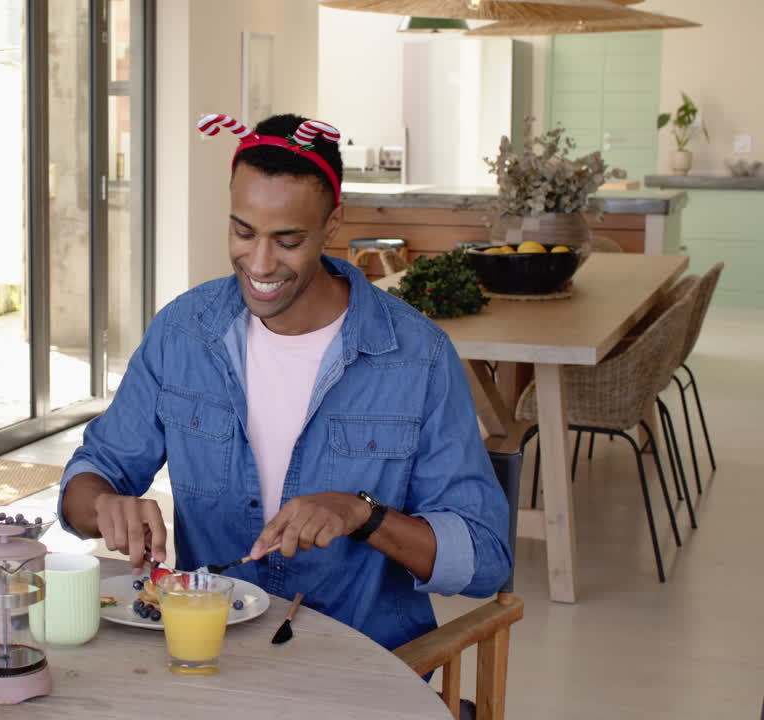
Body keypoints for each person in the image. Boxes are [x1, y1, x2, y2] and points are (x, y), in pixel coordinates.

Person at [58, 113, 511, 651]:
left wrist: (362, 514)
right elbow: (88, 478)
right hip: (210, 657)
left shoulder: (419, 358)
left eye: (288, 240)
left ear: (333, 223)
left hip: (364, 675)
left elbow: (485, 557)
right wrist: (105, 506)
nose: (260, 262)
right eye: (242, 231)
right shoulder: (182, 334)